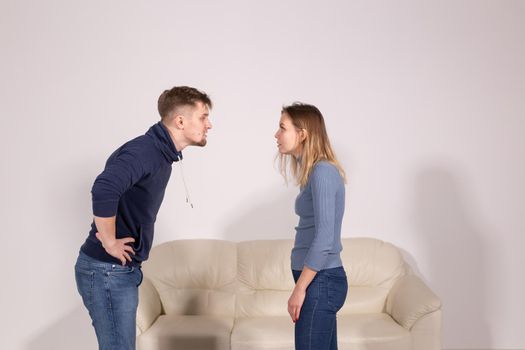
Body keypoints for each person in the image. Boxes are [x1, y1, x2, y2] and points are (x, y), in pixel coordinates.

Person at [74, 86, 213, 350]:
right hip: (107, 270)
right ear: (180, 121)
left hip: (116, 271)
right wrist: (109, 241)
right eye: (203, 117)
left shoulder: (161, 154)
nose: (209, 124)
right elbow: (104, 187)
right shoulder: (146, 151)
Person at [274, 103, 348, 350]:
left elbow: (325, 238)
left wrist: (299, 289)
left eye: (282, 128)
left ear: (302, 133)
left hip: (321, 282)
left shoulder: (323, 172)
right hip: (318, 281)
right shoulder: (313, 174)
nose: (277, 134)